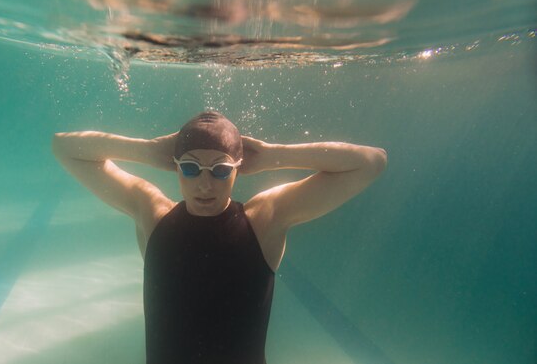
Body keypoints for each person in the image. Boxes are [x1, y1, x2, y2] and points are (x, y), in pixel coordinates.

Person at [52, 111, 387, 364]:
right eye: (190, 168)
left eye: (222, 170)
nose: (205, 184)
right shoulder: (152, 212)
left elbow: (371, 162)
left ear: (238, 168)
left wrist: (273, 154)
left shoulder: (263, 219)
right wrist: (146, 150)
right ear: (175, 167)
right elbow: (64, 147)